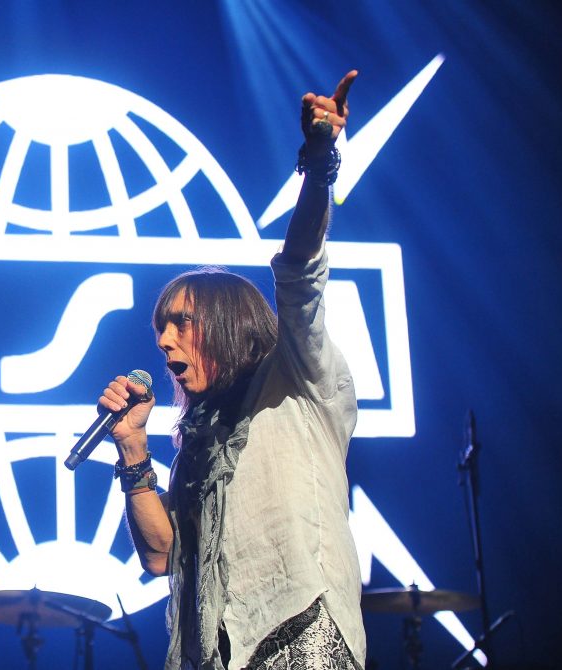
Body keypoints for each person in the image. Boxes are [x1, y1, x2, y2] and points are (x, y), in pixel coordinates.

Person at [99, 71, 364, 670]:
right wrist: (133, 446)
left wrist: (318, 165)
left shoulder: (294, 380)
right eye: (160, 329)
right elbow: (161, 556)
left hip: (300, 635)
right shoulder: (199, 443)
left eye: (180, 323)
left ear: (227, 323)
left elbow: (300, 269)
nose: (164, 341)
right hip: (217, 653)